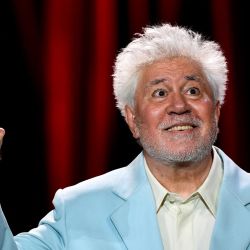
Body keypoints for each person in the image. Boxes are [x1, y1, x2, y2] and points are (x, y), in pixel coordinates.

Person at [0, 23, 250, 250]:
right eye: (160, 93)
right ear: (133, 119)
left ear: (217, 110)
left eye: (193, 90)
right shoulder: (79, 209)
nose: (178, 105)